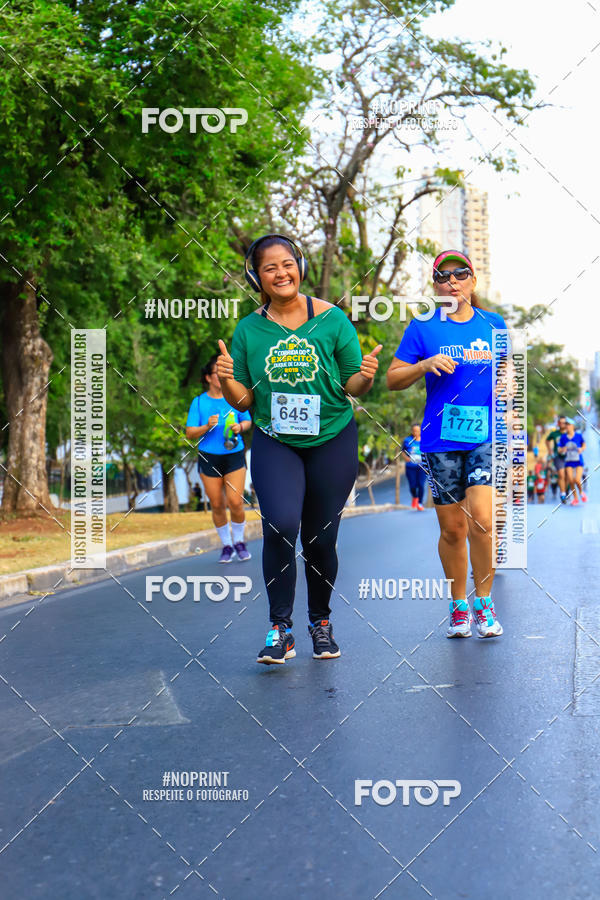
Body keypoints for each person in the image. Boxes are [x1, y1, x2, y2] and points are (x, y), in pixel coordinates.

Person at [216, 233, 381, 664]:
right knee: (281, 525)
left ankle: (320, 622)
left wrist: (365, 374)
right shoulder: (249, 329)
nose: (280, 273)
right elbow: (244, 401)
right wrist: (228, 376)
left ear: (300, 266)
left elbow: (352, 387)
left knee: (321, 538)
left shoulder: (333, 320)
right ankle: (280, 628)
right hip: (275, 440)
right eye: (269, 267)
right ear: (256, 277)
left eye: (286, 264)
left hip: (332, 437)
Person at [387, 249, 506, 639]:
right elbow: (392, 378)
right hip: (440, 439)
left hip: (483, 436)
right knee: (452, 529)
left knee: (483, 521)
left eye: (460, 274)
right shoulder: (423, 327)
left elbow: (507, 380)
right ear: (435, 286)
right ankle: (458, 605)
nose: (451, 281)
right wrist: (423, 365)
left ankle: (484, 603)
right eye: (442, 276)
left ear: (473, 279)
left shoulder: (495, 324)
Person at [185, 355, 253, 562]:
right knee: (216, 504)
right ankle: (226, 545)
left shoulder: (234, 396)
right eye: (217, 372)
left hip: (233, 455)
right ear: (208, 377)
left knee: (235, 502)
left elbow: (248, 421)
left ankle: (239, 541)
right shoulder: (198, 402)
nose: (222, 375)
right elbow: (190, 433)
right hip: (209, 457)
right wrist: (206, 426)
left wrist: (239, 427)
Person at [558, 419, 587, 504]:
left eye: (569, 424)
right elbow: (559, 449)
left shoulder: (579, 435)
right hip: (568, 461)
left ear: (573, 426)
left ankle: (581, 493)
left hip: (578, 461)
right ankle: (575, 498)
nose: (567, 426)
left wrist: (581, 449)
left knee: (577, 480)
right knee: (570, 480)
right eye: (566, 424)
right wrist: (563, 449)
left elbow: (584, 445)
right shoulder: (563, 437)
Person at [402, 423, 427, 509]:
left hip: (422, 467)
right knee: (413, 485)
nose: (416, 432)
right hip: (410, 467)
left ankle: (420, 503)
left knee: (421, 484)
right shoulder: (407, 440)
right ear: (412, 431)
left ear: (420, 431)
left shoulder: (425, 439)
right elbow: (403, 451)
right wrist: (407, 458)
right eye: (414, 431)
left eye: (418, 430)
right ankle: (415, 496)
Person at [546, 415, 569, 502]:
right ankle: (562, 494)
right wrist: (550, 451)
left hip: (568, 456)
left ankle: (566, 490)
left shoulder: (569, 433)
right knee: (561, 474)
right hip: (558, 456)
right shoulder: (554, 433)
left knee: (567, 476)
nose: (562, 424)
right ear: (558, 423)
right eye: (561, 423)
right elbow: (547, 440)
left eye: (564, 423)